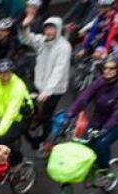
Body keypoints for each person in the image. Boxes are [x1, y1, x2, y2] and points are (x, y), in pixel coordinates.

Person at [66, 57, 118, 171]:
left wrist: (106, 128)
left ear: (117, 71)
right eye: (105, 68)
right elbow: (83, 97)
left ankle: (104, 170)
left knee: (101, 144)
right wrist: (70, 114)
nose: (108, 71)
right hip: (98, 118)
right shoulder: (99, 82)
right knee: (85, 143)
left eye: (112, 68)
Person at [20, 16, 71, 151]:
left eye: (52, 29)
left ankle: (45, 138)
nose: (48, 32)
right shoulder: (42, 41)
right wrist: (25, 26)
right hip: (39, 84)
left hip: (55, 89)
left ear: (58, 30)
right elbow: (27, 39)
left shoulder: (64, 47)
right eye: (47, 28)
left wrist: (48, 90)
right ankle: (37, 117)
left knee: (47, 114)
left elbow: (58, 71)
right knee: (28, 103)